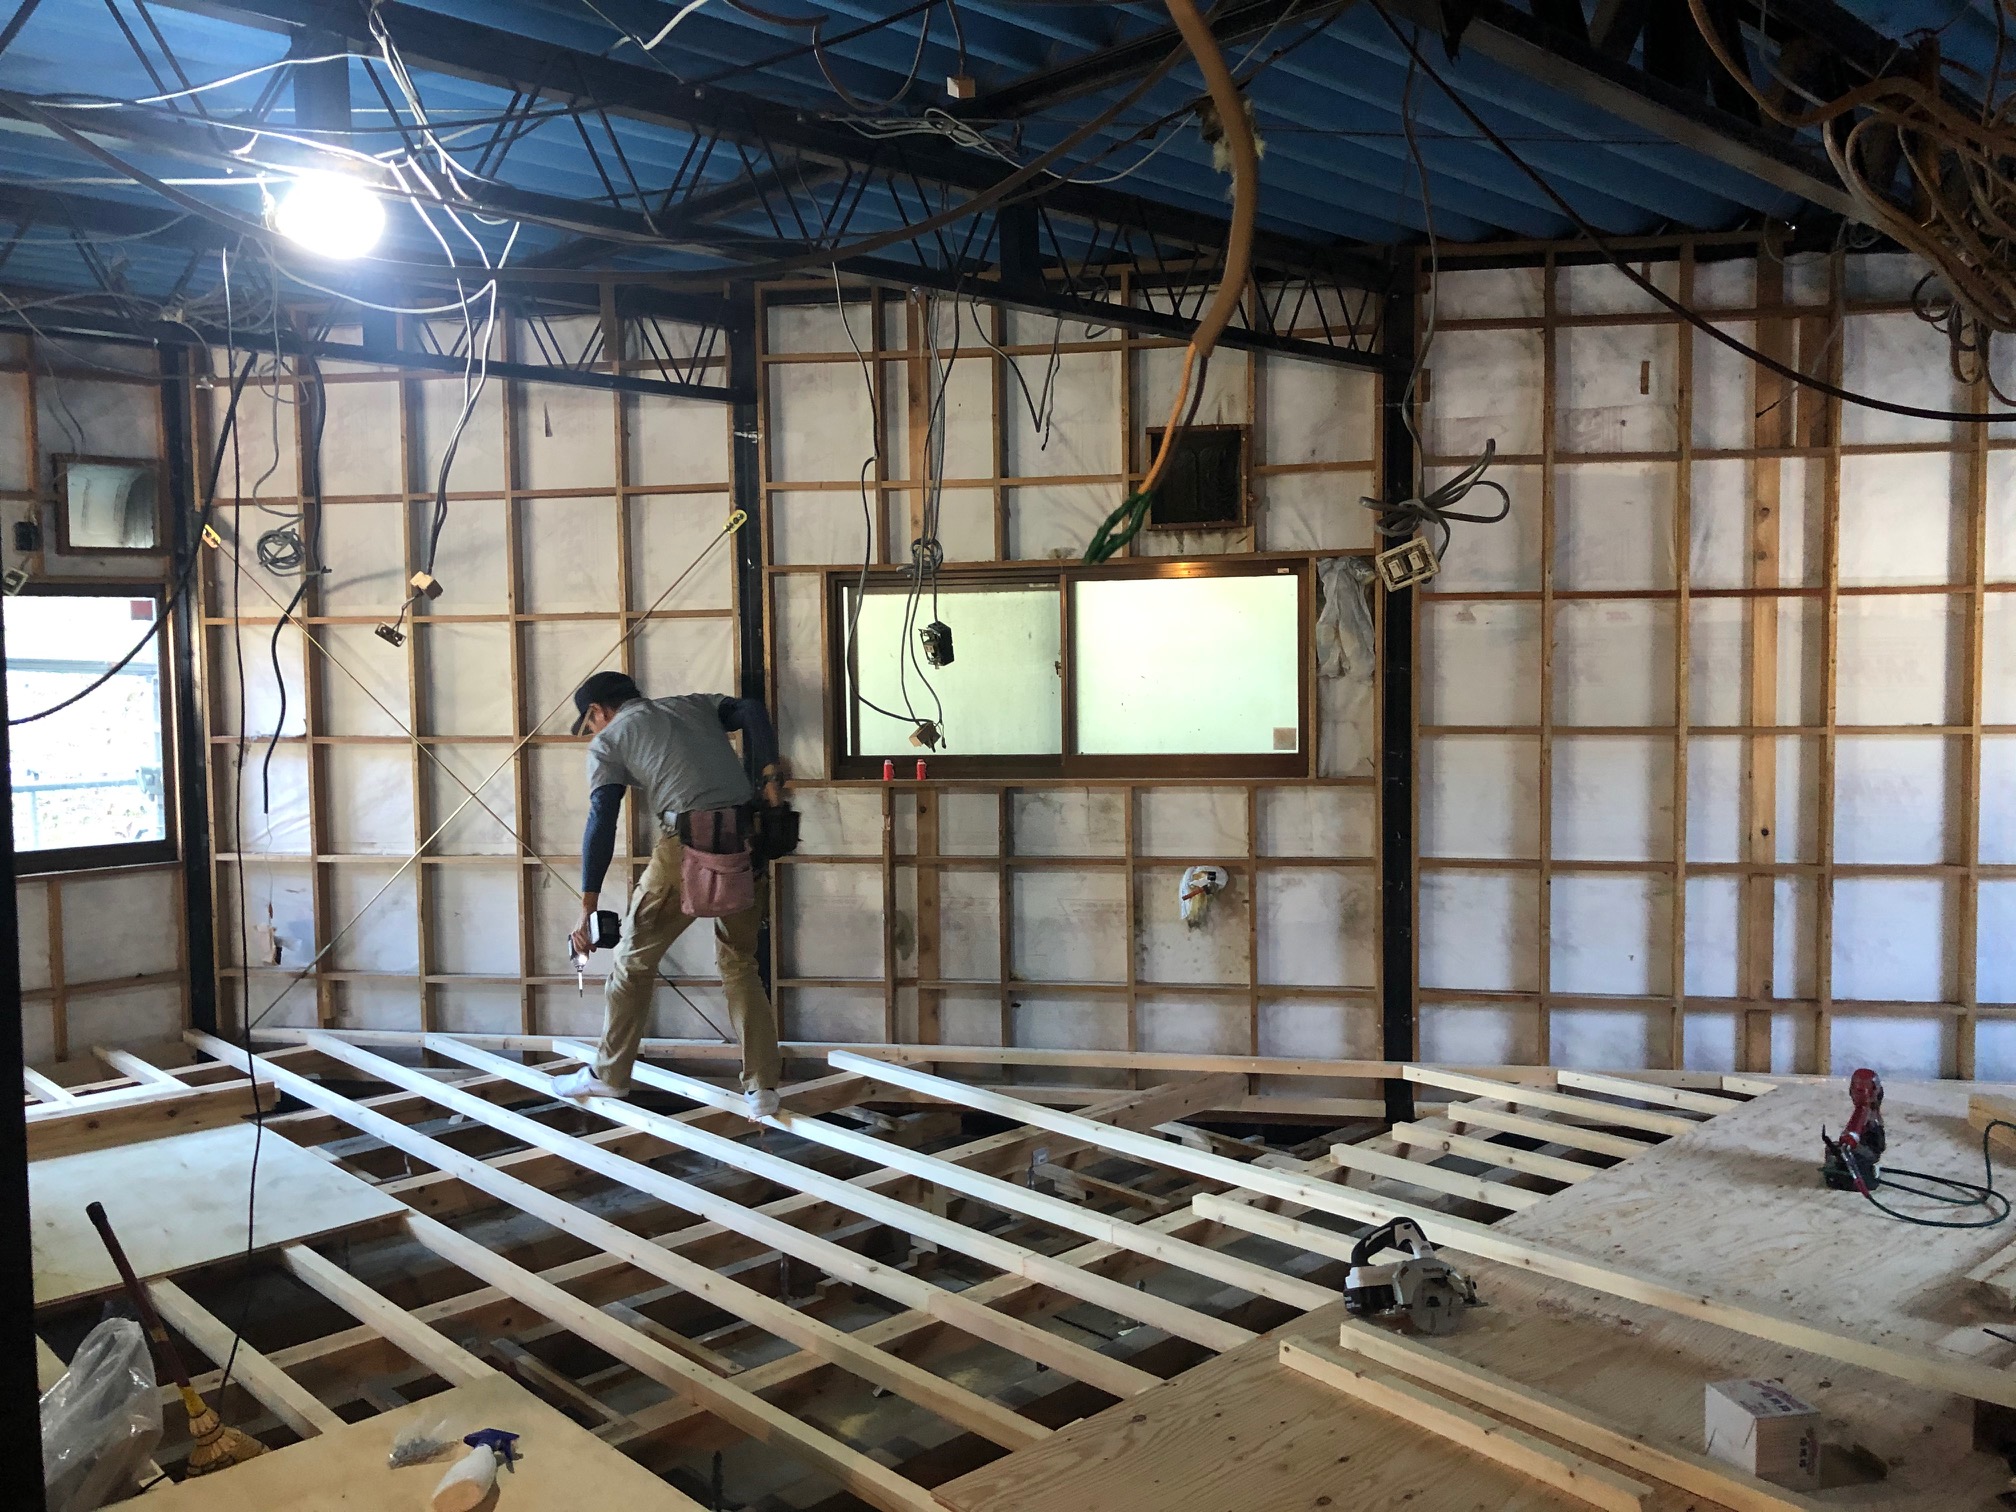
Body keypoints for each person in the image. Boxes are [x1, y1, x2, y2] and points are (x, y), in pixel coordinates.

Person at [552, 669, 786, 1119]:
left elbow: (602, 819)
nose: (593, 732)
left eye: (590, 723)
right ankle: (763, 1089)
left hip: (685, 847)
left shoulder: (608, 741)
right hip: (747, 841)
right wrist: (769, 775)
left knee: (633, 962)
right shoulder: (692, 704)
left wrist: (587, 906)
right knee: (741, 964)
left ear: (598, 711)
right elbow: (751, 710)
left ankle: (610, 1076)